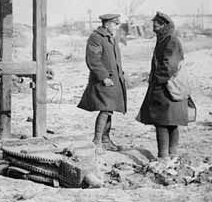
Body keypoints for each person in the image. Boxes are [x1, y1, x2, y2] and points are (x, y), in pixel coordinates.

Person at [136, 11, 188, 162]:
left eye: (156, 24)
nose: (153, 26)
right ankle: (171, 155)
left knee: (163, 122)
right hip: (167, 87)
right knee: (170, 121)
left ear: (164, 25)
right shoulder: (164, 39)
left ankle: (164, 157)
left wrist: (156, 79)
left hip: (167, 88)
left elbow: (170, 65)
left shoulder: (170, 40)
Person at [78, 14, 127, 153]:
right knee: (105, 109)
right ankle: (97, 142)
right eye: (114, 24)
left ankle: (106, 140)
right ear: (106, 24)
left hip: (114, 80)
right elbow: (93, 60)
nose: (117, 27)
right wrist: (104, 77)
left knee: (109, 109)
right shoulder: (96, 37)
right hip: (103, 81)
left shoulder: (111, 37)